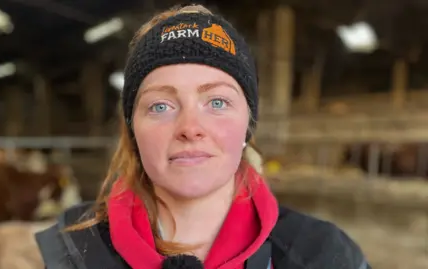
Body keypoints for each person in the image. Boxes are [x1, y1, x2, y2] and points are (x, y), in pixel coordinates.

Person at [35, 4, 371, 269]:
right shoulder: (67, 252)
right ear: (133, 128)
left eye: (217, 102)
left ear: (248, 125)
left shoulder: (322, 255)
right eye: (161, 106)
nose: (190, 127)